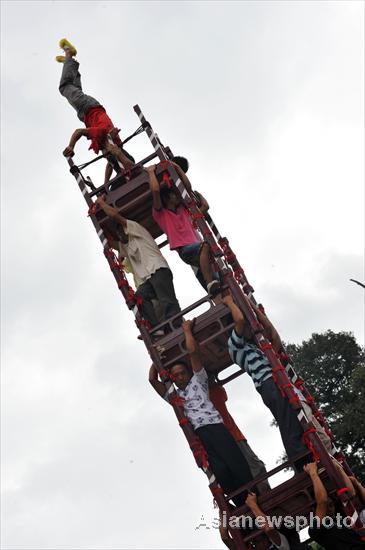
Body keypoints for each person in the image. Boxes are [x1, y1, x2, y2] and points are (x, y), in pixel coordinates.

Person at [148, 320, 254, 506]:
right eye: (176, 375)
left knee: (236, 463)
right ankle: (240, 503)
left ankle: (253, 496)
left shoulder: (199, 381)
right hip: (201, 435)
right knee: (220, 471)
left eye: (183, 373)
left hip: (216, 427)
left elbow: (193, 353)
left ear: (189, 373)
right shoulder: (175, 396)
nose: (180, 377)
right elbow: (152, 379)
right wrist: (155, 358)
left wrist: (187, 331)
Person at [222, 293, 312, 470]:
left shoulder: (259, 347)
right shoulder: (235, 346)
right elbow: (239, 320)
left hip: (277, 381)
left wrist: (255, 310)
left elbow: (274, 336)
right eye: (247, 323)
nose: (249, 325)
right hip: (268, 384)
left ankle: (306, 458)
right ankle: (303, 463)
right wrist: (229, 302)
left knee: (295, 419)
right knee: (288, 421)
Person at [96, 195, 181, 335]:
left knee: (167, 302)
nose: (119, 234)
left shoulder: (135, 229)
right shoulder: (125, 246)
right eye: (117, 232)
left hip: (158, 270)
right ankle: (157, 328)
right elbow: (109, 242)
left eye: (120, 230)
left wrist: (101, 203)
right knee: (139, 298)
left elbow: (115, 215)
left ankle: (177, 328)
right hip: (148, 280)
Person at [56, 38, 133, 173]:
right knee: (64, 87)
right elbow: (78, 132)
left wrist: (106, 185)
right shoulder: (104, 135)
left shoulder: (113, 144)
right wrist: (71, 147)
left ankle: (70, 64)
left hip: (87, 111)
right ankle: (69, 54)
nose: (105, 155)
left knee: (74, 88)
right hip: (88, 107)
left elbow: (111, 164)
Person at [147, 160, 220, 296]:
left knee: (218, 282)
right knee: (206, 246)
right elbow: (156, 190)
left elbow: (189, 189)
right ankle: (210, 283)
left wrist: (178, 168)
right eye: (173, 194)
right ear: (167, 198)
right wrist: (151, 172)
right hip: (186, 250)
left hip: (198, 250)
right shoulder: (161, 213)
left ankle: (213, 288)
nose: (177, 196)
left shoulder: (183, 210)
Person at [208, 377, 270, 494]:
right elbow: (223, 395)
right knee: (255, 466)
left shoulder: (201, 396)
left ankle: (254, 496)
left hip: (221, 442)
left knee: (243, 470)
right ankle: (265, 493)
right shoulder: (214, 391)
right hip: (234, 436)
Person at [305, 462, 365, 549]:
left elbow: (351, 494)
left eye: (331, 504)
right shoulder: (314, 529)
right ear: (315, 509)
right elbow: (322, 502)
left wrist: (337, 467)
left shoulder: (340, 518)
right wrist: (313, 473)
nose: (330, 508)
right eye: (328, 506)